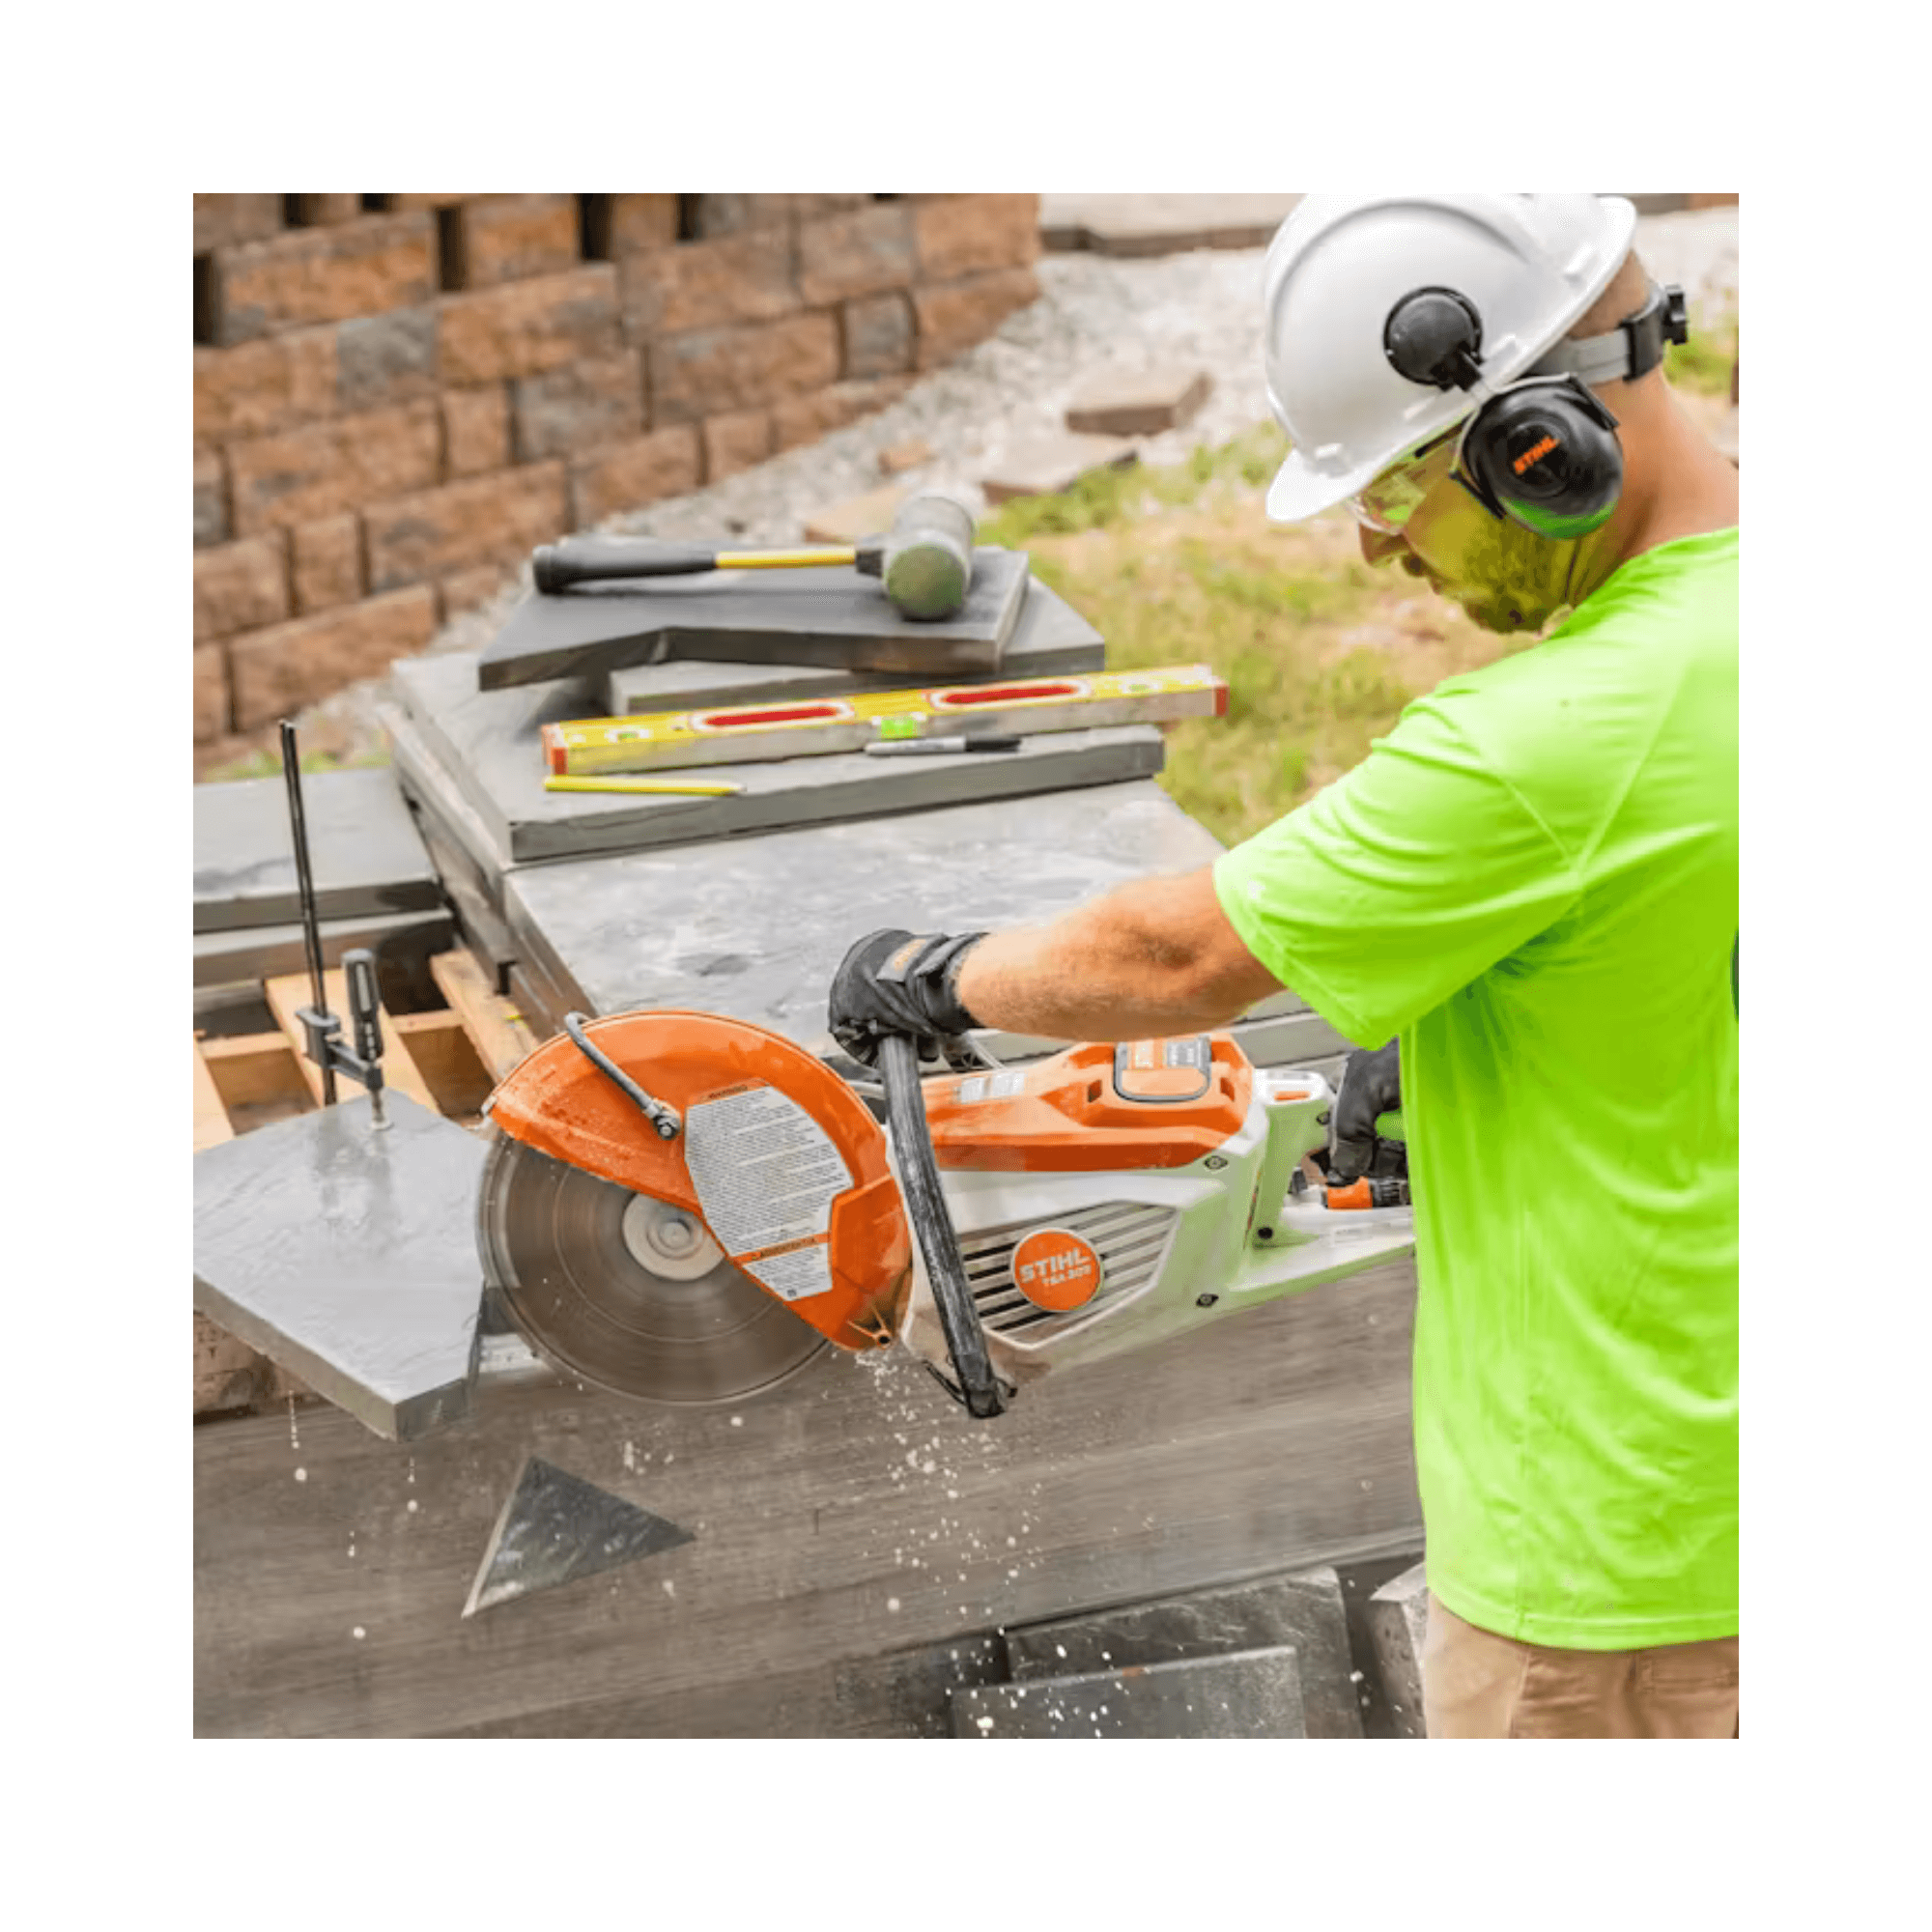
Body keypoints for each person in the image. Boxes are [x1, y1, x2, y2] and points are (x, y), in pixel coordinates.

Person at [827, 193, 1738, 1740]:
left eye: (1395, 492)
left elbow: (1174, 956)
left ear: (1542, 445)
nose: (1382, 549)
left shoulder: (1545, 744)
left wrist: (938, 973)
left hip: (1627, 1577)